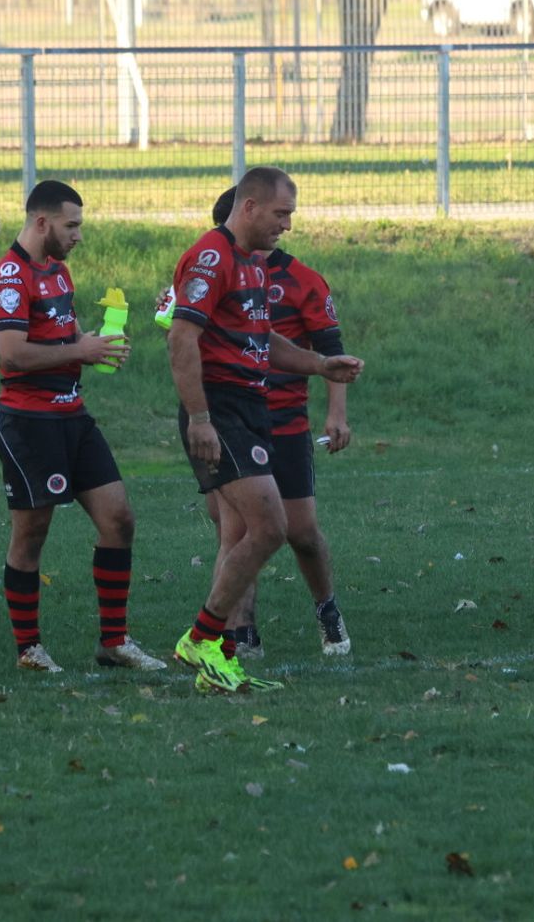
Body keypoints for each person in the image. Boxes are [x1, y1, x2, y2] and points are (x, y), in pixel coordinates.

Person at [167, 167, 363, 694]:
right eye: (281, 214)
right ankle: (203, 638)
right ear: (249, 207)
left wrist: (319, 365)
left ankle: (222, 657)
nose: (287, 225)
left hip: (251, 409)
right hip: (222, 409)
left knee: (249, 532)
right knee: (272, 526)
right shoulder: (211, 257)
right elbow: (181, 339)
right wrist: (200, 418)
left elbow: (264, 339)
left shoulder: (252, 264)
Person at [0, 179, 166, 675]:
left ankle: (114, 642)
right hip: (29, 421)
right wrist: (78, 350)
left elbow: (60, 336)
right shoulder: (10, 275)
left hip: (72, 415)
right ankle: (29, 649)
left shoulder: (58, 272)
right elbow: (11, 354)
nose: (78, 236)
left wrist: (93, 344)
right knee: (32, 532)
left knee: (119, 520)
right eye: (72, 226)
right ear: (42, 221)